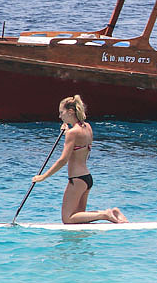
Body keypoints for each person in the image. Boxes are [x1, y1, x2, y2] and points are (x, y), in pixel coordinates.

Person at [32, 95, 128, 224]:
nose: (60, 116)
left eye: (61, 112)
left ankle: (105, 214)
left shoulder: (72, 133)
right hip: (86, 178)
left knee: (68, 219)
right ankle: (113, 212)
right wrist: (67, 132)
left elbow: (63, 160)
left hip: (77, 179)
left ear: (70, 112)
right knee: (78, 218)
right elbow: (81, 147)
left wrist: (43, 177)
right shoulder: (87, 127)